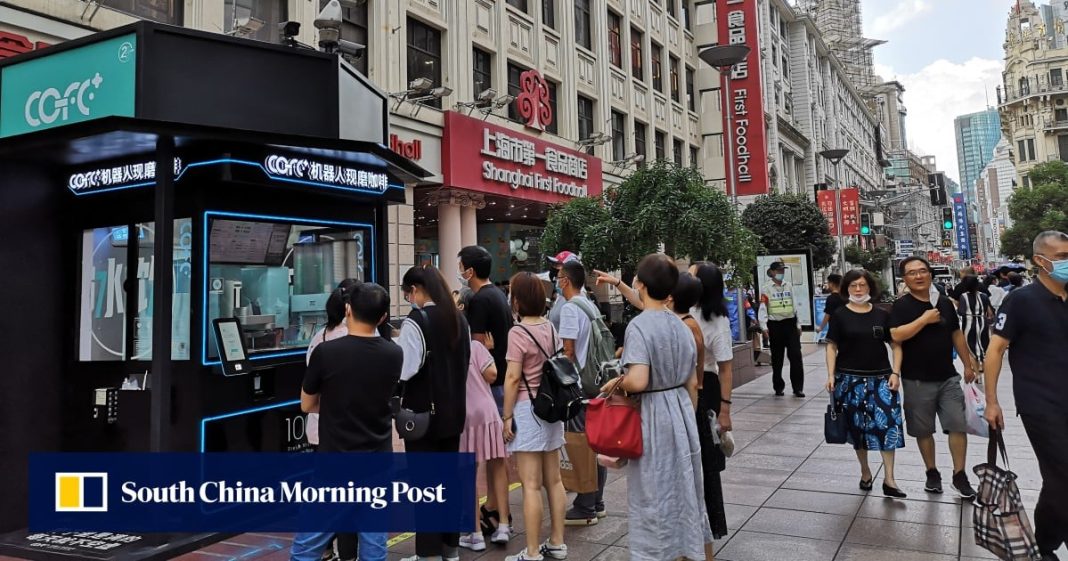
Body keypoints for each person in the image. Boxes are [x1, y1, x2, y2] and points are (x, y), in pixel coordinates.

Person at [601, 254, 710, 561]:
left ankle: (655, 553)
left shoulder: (639, 327)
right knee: (683, 487)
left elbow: (638, 380)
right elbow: (692, 383)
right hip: (681, 412)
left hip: (654, 413)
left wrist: (616, 383)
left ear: (642, 285)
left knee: (653, 490)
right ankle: (683, 550)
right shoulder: (682, 325)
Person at [290, 283, 401, 561]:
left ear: (348, 310)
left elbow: (306, 404)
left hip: (334, 462)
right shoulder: (393, 353)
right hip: (378, 459)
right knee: (374, 543)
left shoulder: (326, 352)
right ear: (383, 317)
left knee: (308, 544)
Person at [984, 231, 1068, 561]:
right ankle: (1046, 544)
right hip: (1040, 405)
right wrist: (992, 401)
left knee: (1058, 477)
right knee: (1063, 472)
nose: (1066, 262)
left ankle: (1044, 541)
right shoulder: (1020, 300)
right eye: (1061, 257)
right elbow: (995, 350)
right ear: (1039, 261)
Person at [397, 266, 471, 561]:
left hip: (423, 417)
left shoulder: (417, 321)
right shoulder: (458, 318)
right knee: (448, 481)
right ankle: (450, 549)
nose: (408, 299)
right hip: (453, 413)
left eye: (407, 293)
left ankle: (427, 552)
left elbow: (406, 369)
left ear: (416, 289)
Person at [889, 257, 978, 499]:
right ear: (904, 279)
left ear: (930, 274)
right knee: (923, 430)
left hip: (948, 376)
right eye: (912, 273)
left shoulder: (944, 303)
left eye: (922, 271)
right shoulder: (901, 306)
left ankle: (960, 475)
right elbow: (896, 336)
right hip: (916, 379)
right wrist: (924, 319)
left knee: (957, 424)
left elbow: (956, 333)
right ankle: (932, 472)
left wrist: (968, 364)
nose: (918, 276)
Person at [501, 272, 568, 561]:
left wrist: (505, 416)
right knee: (554, 480)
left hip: (528, 411)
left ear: (517, 299)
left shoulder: (517, 333)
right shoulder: (550, 328)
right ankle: (556, 542)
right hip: (551, 408)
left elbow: (513, 377)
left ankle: (531, 552)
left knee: (530, 483)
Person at [824, 269, 907, 498]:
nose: (858, 290)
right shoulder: (840, 315)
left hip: (881, 379)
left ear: (870, 287)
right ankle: (865, 471)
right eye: (853, 286)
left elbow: (896, 345)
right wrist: (831, 374)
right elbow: (831, 346)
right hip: (849, 380)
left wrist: (896, 372)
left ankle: (889, 479)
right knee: (857, 429)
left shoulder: (882, 315)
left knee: (888, 426)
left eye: (862, 285)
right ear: (846, 289)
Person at [457, 245, 513, 539]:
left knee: (478, 460)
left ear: (471, 270)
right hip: (502, 384)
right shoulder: (499, 296)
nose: (460, 272)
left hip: (486, 389)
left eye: (461, 266)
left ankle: (478, 526)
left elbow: (475, 348)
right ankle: (498, 514)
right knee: (498, 459)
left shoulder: (479, 301)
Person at [555, 260, 607, 527]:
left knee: (581, 444)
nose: (556, 279)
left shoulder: (569, 309)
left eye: (558, 275)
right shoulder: (589, 304)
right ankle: (597, 501)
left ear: (565, 280)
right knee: (595, 443)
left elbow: (569, 352)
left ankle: (585, 504)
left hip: (580, 386)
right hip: (596, 383)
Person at [686, 264, 733, 553]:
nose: (684, 279)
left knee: (705, 468)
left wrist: (725, 410)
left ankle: (706, 545)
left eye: (690, 276)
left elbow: (726, 369)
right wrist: (619, 283)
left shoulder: (717, 322)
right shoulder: (683, 309)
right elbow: (645, 302)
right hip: (688, 388)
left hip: (707, 390)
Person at [456, 304, 508, 552]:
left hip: (465, 418)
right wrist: (487, 351)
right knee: (498, 465)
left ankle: (474, 533)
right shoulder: (476, 347)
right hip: (488, 414)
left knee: (469, 473)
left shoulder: (448, 352)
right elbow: (492, 375)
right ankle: (504, 526)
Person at [759, 261, 805, 397]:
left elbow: (795, 304)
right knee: (777, 358)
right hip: (775, 325)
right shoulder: (766, 288)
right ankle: (778, 386)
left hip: (790, 324)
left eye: (782, 270)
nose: (781, 273)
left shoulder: (788, 286)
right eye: (778, 270)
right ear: (772, 272)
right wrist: (763, 326)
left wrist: (798, 324)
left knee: (796, 356)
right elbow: (763, 307)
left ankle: (798, 388)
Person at [956, 275, 992, 371]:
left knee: (970, 348)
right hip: (983, 323)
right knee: (984, 347)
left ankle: (977, 374)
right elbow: (990, 312)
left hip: (968, 324)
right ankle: (984, 367)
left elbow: (961, 312)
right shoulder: (984, 296)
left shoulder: (963, 296)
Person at [547, 250, 585, 330]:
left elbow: (569, 340)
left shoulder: (574, 301)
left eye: (558, 265)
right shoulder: (562, 295)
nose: (554, 269)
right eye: (554, 265)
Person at [818, 274, 845, 340]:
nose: (828, 285)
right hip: (845, 328)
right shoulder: (845, 297)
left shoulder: (830, 298)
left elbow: (827, 315)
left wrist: (821, 328)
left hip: (834, 329)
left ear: (832, 284)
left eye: (828, 283)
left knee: (831, 348)